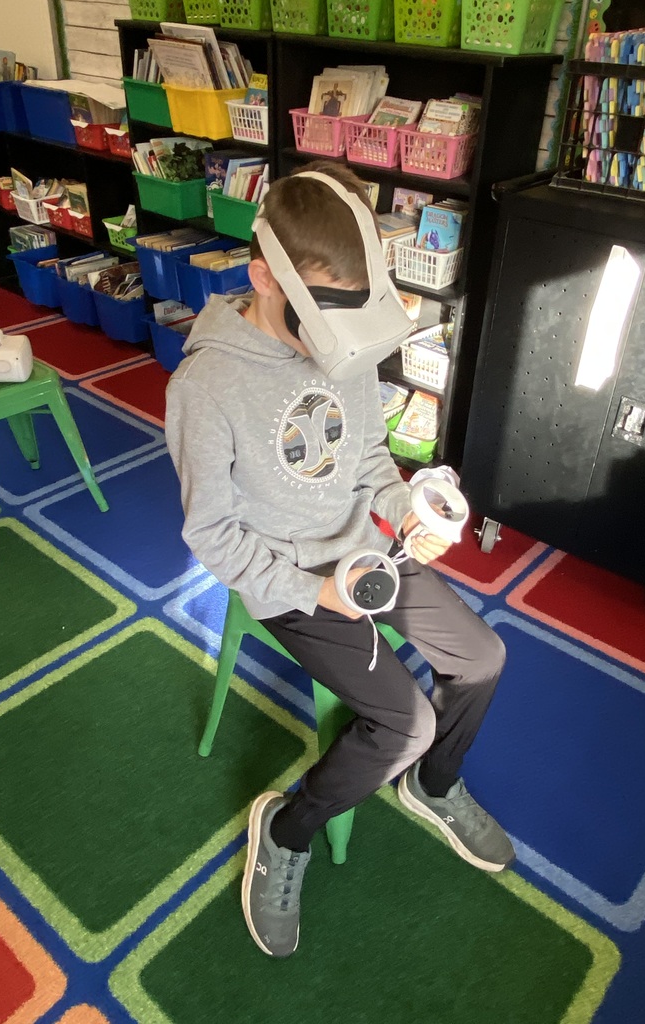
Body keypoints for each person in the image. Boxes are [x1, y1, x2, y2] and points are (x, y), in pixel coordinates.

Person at [165, 161, 514, 960]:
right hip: (287, 581)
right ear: (264, 274)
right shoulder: (207, 385)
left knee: (484, 656)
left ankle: (434, 787)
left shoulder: (345, 346)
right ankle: (286, 832)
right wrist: (314, 592)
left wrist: (408, 511)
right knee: (404, 720)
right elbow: (212, 535)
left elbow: (367, 469)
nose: (333, 340)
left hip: (364, 554)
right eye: (319, 311)